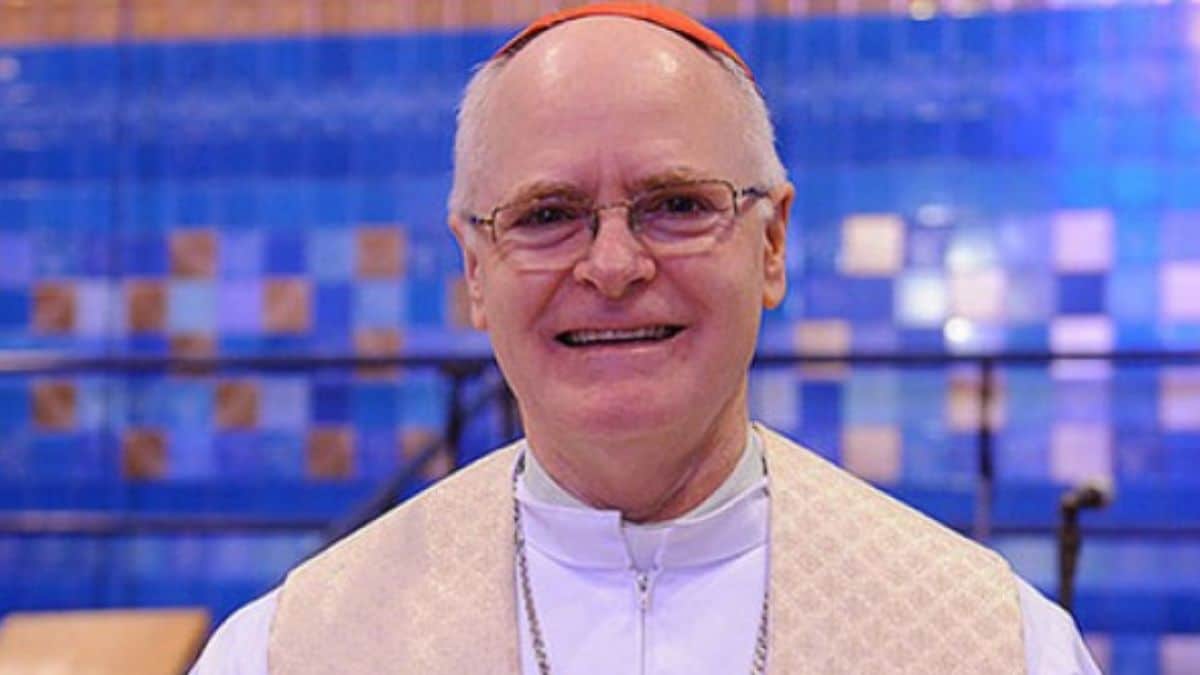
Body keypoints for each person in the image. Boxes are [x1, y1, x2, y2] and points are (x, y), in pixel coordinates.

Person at [191, 4, 1101, 673]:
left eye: (677, 205)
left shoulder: (998, 645)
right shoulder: (290, 650)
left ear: (772, 245)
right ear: (474, 269)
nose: (614, 265)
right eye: (547, 215)